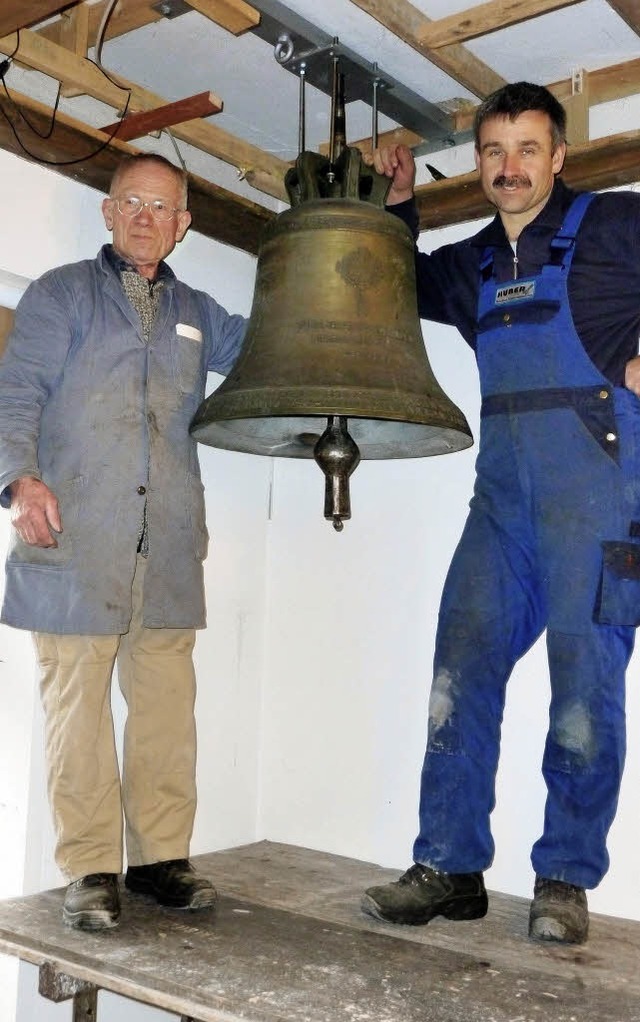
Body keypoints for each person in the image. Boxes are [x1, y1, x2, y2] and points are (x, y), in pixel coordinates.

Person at [361, 81, 640, 944]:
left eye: (527, 149)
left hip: (599, 496)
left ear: (558, 157)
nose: (509, 168)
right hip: (503, 502)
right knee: (459, 670)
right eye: (493, 151)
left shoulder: (614, 226)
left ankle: (562, 876)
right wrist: (400, 206)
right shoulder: (474, 261)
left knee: (583, 690)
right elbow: (397, 283)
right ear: (479, 164)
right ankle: (449, 863)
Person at [0, 153, 247, 931]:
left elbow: (277, 351)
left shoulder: (202, 315)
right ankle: (92, 869)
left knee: (167, 708)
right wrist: (19, 479)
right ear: (108, 213)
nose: (146, 216)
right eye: (131, 201)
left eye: (162, 206)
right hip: (76, 537)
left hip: (168, 545)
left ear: (183, 226)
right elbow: (15, 393)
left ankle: (160, 861)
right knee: (76, 708)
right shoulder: (59, 294)